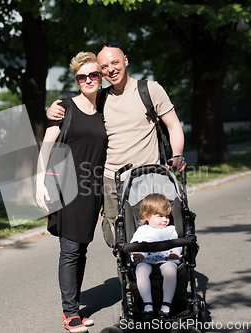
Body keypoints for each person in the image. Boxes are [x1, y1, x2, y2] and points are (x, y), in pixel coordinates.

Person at [47, 42, 187, 248]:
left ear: (125, 61)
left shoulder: (149, 90)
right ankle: (129, 280)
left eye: (115, 62)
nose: (111, 69)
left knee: (157, 231)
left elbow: (174, 125)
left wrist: (178, 154)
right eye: (104, 67)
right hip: (113, 181)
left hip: (149, 176)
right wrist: (52, 111)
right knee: (119, 238)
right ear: (101, 73)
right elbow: (77, 110)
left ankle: (161, 274)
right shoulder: (100, 98)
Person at [35, 51, 107, 333]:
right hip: (67, 185)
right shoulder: (66, 106)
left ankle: (74, 307)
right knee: (70, 249)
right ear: (77, 80)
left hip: (93, 186)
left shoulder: (105, 106)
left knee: (83, 247)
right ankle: (69, 313)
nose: (88, 80)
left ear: (100, 77)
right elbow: (48, 143)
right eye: (82, 76)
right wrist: (39, 179)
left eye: (93, 75)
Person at [130, 193, 181, 319]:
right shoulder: (142, 230)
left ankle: (166, 304)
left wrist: (175, 252)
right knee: (141, 270)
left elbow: (177, 243)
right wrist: (136, 252)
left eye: (167, 216)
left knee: (170, 270)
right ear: (147, 216)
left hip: (165, 259)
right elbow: (133, 244)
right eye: (160, 216)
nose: (165, 220)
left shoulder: (170, 230)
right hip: (146, 259)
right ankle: (148, 304)